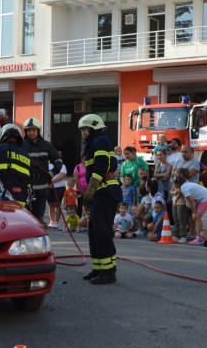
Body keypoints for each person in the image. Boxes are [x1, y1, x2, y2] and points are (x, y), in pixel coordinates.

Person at [79, 114, 122, 285]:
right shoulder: (93, 144)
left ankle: (109, 272)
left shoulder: (100, 141)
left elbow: (101, 166)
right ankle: (98, 268)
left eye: (85, 129)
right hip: (100, 193)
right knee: (95, 233)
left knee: (103, 233)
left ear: (93, 128)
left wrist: (90, 189)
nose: (83, 132)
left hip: (105, 192)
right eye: (82, 129)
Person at [22, 117, 64, 224]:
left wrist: (51, 173)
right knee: (25, 217)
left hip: (42, 187)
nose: (31, 133)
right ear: (26, 131)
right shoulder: (21, 145)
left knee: (39, 218)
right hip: (26, 186)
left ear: (38, 131)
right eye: (29, 130)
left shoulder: (46, 145)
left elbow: (58, 161)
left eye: (34, 130)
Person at [0, 123, 32, 206]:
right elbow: (30, 181)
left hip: (1, 199)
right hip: (21, 203)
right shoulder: (26, 156)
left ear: (2, 136)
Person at [172, 175, 207, 246]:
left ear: (177, 183)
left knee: (197, 217)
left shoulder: (183, 188)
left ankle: (199, 238)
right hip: (204, 197)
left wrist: (194, 212)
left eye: (174, 183)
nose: (173, 185)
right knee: (196, 218)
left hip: (206, 198)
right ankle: (200, 236)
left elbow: (191, 200)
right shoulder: (186, 184)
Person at [46, 152, 67, 230]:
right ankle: (52, 221)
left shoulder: (63, 166)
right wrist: (48, 183)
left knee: (57, 205)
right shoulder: (48, 166)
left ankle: (57, 222)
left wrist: (52, 181)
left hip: (59, 188)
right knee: (51, 204)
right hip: (49, 188)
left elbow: (62, 175)